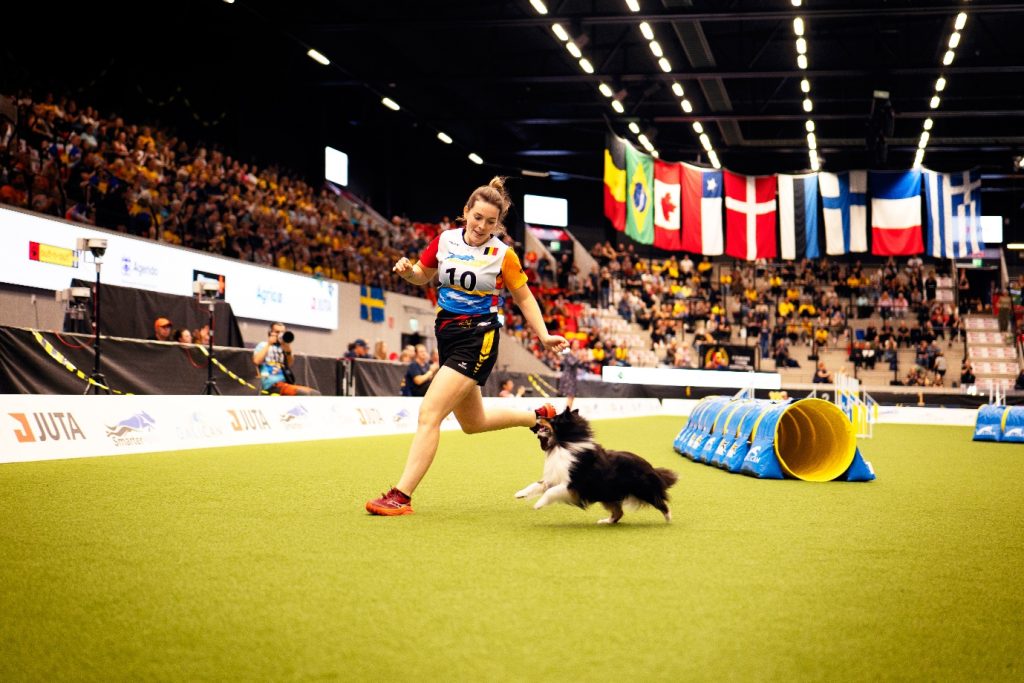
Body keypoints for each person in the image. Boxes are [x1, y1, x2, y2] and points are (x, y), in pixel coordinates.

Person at [366, 177, 568, 516]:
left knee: (430, 413)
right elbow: (422, 275)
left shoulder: (503, 254)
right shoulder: (445, 240)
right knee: (473, 422)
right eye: (477, 217)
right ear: (466, 212)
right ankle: (538, 417)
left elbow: (524, 297)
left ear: (497, 224)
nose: (481, 226)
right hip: (446, 336)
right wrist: (408, 272)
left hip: (478, 338)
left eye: (490, 222)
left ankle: (401, 496)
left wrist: (544, 335)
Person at [252, 322, 321, 396]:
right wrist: (269, 344)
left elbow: (289, 364)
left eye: (282, 332)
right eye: (277, 332)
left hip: (285, 383)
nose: (280, 334)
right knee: (306, 393)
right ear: (270, 333)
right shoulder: (263, 345)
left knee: (315, 394)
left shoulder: (284, 347)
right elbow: (256, 361)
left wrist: (288, 349)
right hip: (271, 384)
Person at [558, 341, 582, 409]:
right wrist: (580, 357)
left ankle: (568, 412)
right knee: (570, 396)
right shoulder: (568, 354)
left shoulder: (576, 354)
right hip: (568, 377)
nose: (577, 345)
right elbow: (572, 363)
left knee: (572, 396)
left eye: (578, 344)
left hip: (573, 377)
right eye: (576, 344)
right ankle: (567, 412)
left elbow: (579, 364)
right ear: (572, 345)